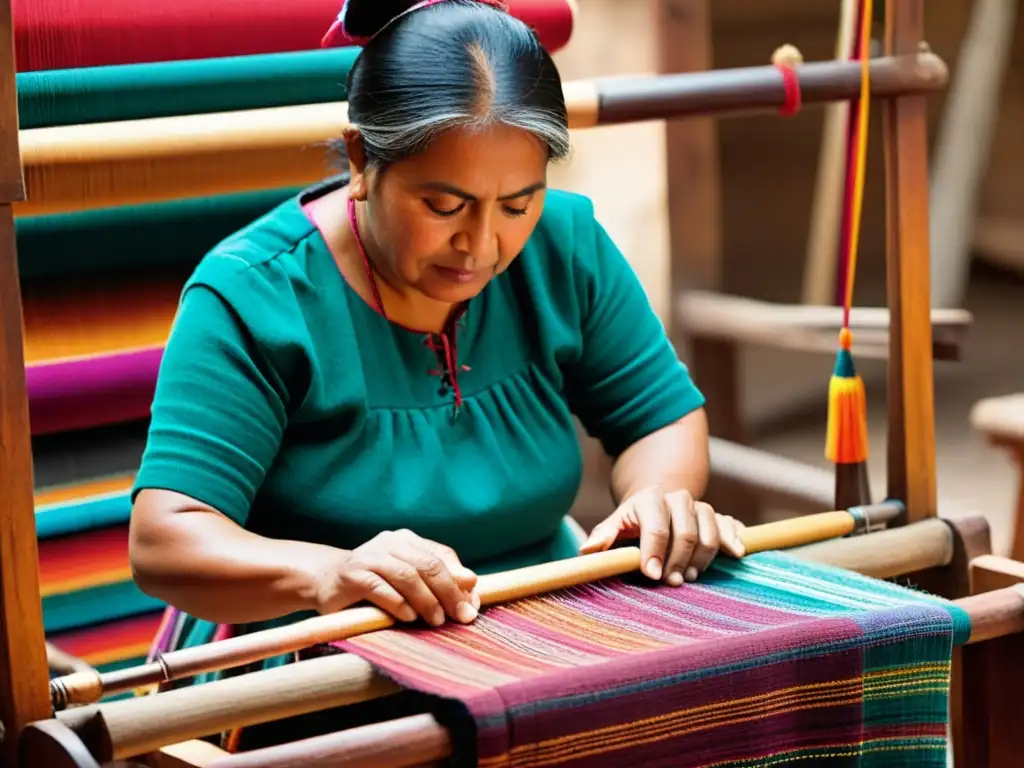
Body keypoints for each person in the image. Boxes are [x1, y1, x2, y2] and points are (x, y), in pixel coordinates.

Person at [128, 0, 745, 750]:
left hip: (540, 642)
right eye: (444, 205)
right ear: (361, 161)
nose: (481, 245)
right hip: (314, 677)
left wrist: (654, 498)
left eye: (516, 203)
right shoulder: (255, 295)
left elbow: (658, 417)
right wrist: (332, 574)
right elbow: (165, 538)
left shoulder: (565, 244)